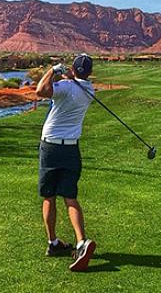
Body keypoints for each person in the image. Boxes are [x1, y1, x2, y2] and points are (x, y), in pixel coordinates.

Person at [35, 54, 97, 272]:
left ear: (73, 68)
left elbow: (40, 91)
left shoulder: (64, 88)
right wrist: (70, 75)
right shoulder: (89, 91)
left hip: (50, 147)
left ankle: (52, 242)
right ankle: (81, 242)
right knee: (70, 197)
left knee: (49, 196)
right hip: (71, 148)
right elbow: (76, 82)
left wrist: (53, 70)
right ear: (89, 72)